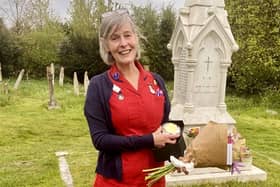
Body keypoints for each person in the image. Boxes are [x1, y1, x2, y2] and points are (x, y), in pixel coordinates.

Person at [84, 8, 179, 187]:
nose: (123, 43)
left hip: (154, 180)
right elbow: (100, 140)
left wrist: (176, 156)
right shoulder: (99, 86)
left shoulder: (156, 81)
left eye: (127, 35)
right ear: (106, 45)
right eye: (115, 38)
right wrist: (149, 140)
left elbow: (165, 128)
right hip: (115, 182)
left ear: (136, 37)